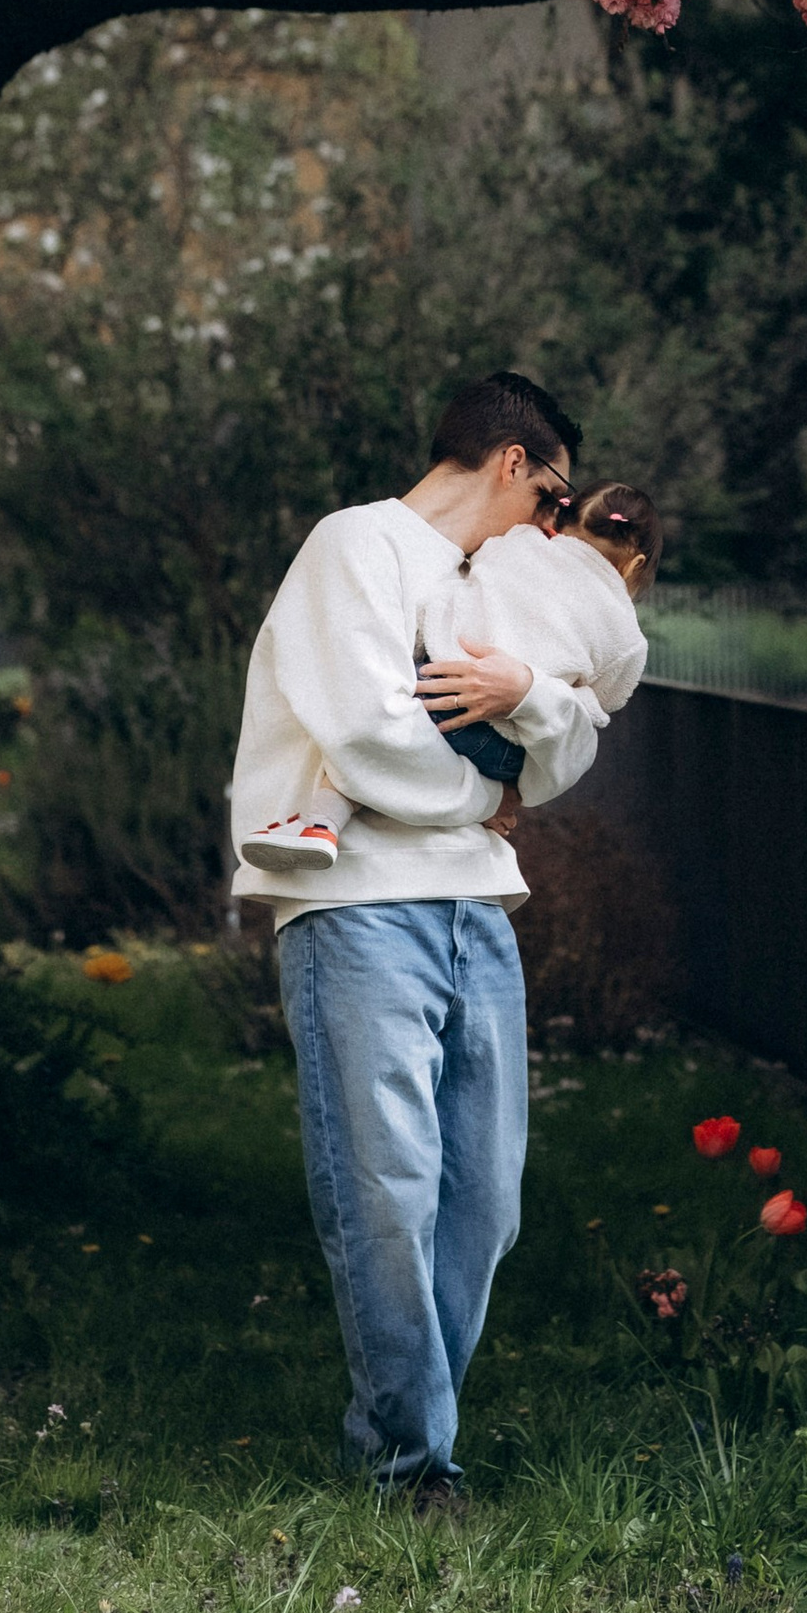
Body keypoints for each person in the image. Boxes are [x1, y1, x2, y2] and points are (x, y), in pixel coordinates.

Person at [226, 371, 598, 1497]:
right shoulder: (354, 549)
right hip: (355, 908)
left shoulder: (504, 591)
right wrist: (487, 795)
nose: (555, 528)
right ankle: (408, 1462)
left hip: (478, 906)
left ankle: (413, 1430)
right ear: (507, 462)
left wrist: (530, 686)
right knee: (388, 1188)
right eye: (553, 497)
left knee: (484, 1199)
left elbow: (574, 739)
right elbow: (368, 733)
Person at [245, 479, 660, 854]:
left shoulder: (517, 542)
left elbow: (479, 570)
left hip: (438, 688)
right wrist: (567, 695)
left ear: (562, 520)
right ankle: (479, 806)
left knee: (367, 750)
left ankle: (321, 823)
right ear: (636, 565)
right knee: (419, 755)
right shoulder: (627, 636)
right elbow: (604, 703)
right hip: (507, 750)